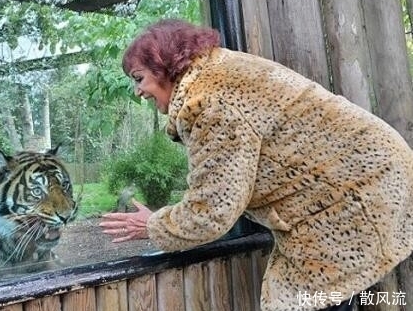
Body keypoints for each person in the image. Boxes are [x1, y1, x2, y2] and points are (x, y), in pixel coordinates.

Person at [99, 19, 413, 311]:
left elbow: (212, 210)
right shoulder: (217, 70)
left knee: (302, 299)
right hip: (369, 177)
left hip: (356, 194)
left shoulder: (208, 101)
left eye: (139, 79)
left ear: (164, 65)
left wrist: (153, 225)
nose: (137, 92)